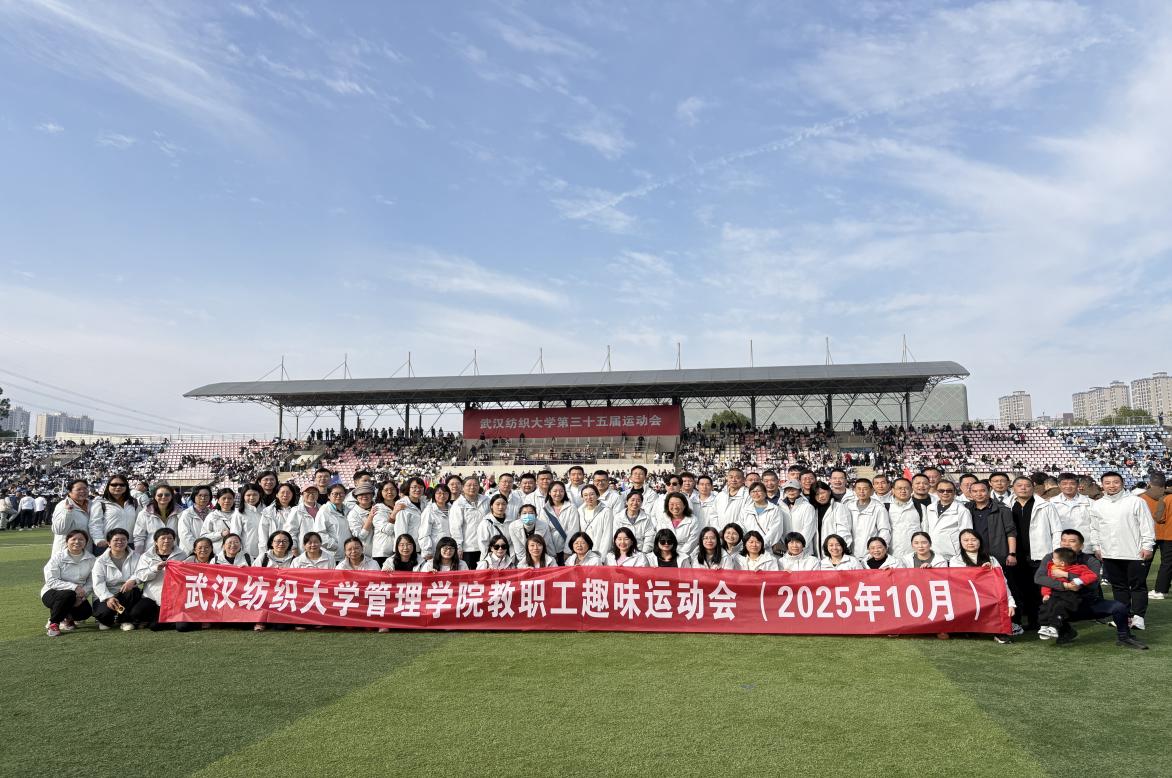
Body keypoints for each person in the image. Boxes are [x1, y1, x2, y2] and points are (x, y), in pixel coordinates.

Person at [1034, 529, 1147, 649]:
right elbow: (1039, 578)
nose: (1066, 544)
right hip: (1060, 604)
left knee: (1119, 607)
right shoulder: (1051, 557)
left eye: (1072, 541)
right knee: (1050, 606)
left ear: (1081, 546)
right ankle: (1065, 632)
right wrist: (1065, 586)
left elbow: (1093, 583)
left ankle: (1125, 637)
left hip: (1087, 603)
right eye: (1063, 540)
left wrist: (1067, 575)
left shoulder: (1090, 560)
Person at [1088, 471, 1156, 630]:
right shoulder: (1098, 505)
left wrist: (1147, 546)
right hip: (1109, 553)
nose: (1112, 486)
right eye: (1107, 483)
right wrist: (1096, 547)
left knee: (1137, 586)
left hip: (1134, 552)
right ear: (1102, 485)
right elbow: (1094, 528)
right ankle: (1123, 616)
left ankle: (1138, 617)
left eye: (1115, 482)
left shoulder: (1136, 501)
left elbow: (1146, 524)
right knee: (1118, 587)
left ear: (1122, 483)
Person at [950, 529, 1016, 643]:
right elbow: (959, 582)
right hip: (966, 596)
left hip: (989, 596)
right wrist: (982, 572)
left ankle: (999, 632)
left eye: (973, 540)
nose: (970, 543)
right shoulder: (955, 560)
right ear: (960, 542)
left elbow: (1002, 582)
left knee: (998, 600)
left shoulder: (991, 559)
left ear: (980, 541)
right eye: (966, 540)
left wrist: (1010, 602)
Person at [129, 527, 189, 630]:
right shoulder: (146, 556)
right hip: (152, 597)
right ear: (156, 542)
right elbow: (141, 575)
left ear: (174, 541)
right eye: (163, 538)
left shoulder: (182, 555)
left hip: (174, 598)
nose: (166, 541)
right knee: (136, 613)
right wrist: (155, 569)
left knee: (156, 626)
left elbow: (186, 575)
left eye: (170, 538)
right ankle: (159, 620)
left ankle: (165, 621)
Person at [41, 529, 96, 637]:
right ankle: (54, 623)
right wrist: (74, 587)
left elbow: (92, 582)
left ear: (86, 542)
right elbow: (51, 580)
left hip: (78, 595)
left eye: (81, 539)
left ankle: (67, 617)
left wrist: (82, 597)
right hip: (52, 592)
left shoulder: (91, 559)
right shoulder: (57, 557)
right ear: (67, 542)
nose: (77, 542)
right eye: (73, 539)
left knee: (85, 612)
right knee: (68, 594)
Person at [1036, 547, 1098, 640]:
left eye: (1054, 558)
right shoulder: (1052, 568)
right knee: (1045, 607)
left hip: (1070, 596)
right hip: (1055, 594)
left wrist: (1078, 580)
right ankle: (1044, 626)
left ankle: (1054, 628)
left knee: (1059, 608)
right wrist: (1046, 594)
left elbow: (1092, 576)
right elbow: (1047, 583)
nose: (1052, 559)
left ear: (1062, 563)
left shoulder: (1079, 568)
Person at [91, 528, 141, 630]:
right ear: (109, 543)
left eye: (123, 540)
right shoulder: (100, 561)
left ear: (127, 541)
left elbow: (140, 573)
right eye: (116, 540)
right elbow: (98, 583)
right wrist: (108, 598)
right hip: (106, 595)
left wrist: (132, 580)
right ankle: (108, 619)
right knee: (104, 614)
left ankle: (124, 620)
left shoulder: (136, 557)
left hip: (126, 593)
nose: (120, 542)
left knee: (133, 592)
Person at [1140, 472, 1172, 600]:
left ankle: (1137, 586)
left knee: (1143, 561)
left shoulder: (1141, 497)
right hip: (1166, 533)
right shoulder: (1167, 496)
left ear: (1150, 483)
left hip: (1148, 533)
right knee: (1167, 564)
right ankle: (1161, 589)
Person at [921, 479, 972, 560]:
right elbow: (926, 528)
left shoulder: (962, 510)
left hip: (952, 553)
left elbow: (967, 534)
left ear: (954, 492)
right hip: (931, 551)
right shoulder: (930, 508)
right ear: (937, 492)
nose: (945, 493)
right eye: (941, 491)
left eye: (949, 491)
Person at [844, 479, 891, 558]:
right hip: (850, 552)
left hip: (872, 553)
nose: (861, 491)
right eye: (859, 489)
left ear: (872, 491)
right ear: (854, 490)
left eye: (865, 489)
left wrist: (878, 550)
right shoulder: (848, 506)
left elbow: (884, 530)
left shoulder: (879, 508)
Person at [90, 475, 138, 551]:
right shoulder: (100, 503)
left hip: (129, 544)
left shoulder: (134, 503)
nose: (118, 487)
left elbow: (139, 523)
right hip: (107, 545)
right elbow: (95, 524)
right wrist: (99, 540)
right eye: (114, 485)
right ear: (108, 486)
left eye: (122, 485)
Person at [51, 479, 97, 557]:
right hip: (66, 553)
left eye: (85, 488)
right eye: (78, 489)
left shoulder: (92, 505)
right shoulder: (62, 505)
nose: (83, 491)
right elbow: (58, 530)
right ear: (70, 492)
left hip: (86, 552)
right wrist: (68, 512)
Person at [450, 478, 489, 565]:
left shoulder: (486, 500)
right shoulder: (458, 504)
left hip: (486, 545)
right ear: (463, 487)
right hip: (468, 548)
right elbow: (455, 528)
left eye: (475, 485)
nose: (472, 487)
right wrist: (458, 546)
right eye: (469, 485)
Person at [133, 484, 180, 555]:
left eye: (167, 495)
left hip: (174, 553)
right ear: (155, 497)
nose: (163, 497)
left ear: (171, 497)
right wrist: (139, 555)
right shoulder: (144, 513)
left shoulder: (180, 513)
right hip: (151, 554)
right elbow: (139, 536)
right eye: (160, 495)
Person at [739, 482, 787, 550]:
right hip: (749, 548)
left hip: (768, 549)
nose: (756, 494)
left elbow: (775, 530)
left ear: (765, 493)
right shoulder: (745, 510)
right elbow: (742, 528)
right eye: (753, 491)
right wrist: (749, 544)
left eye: (758, 491)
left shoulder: (774, 509)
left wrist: (760, 545)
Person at [541, 480, 579, 562]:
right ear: (549, 492)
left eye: (561, 491)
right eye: (555, 491)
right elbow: (545, 532)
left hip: (567, 549)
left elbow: (573, 530)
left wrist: (568, 550)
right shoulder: (545, 509)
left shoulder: (571, 508)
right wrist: (551, 553)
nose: (558, 493)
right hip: (550, 550)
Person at [655, 491, 702, 558]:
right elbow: (660, 538)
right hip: (665, 554)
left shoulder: (693, 520)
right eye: (672, 504)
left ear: (684, 505)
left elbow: (692, 542)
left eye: (678, 504)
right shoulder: (663, 518)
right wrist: (668, 555)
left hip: (687, 556)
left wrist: (679, 556)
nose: (675, 507)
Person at [1050, 472, 1093, 543]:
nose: (1068, 486)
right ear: (1059, 485)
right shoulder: (1051, 503)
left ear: (1078, 485)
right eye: (1064, 484)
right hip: (1061, 544)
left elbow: (1095, 526)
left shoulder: (1090, 503)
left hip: (1084, 543)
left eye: (1072, 483)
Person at [370, 480, 407, 563]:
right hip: (383, 552)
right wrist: (394, 513)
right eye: (386, 490)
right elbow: (387, 530)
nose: (390, 492)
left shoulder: (401, 504)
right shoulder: (377, 508)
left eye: (392, 489)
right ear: (380, 492)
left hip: (399, 550)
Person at [887, 478, 922, 559]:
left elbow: (925, 530)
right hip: (892, 553)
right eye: (899, 488)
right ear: (893, 490)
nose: (903, 491)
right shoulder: (886, 507)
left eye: (906, 488)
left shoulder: (919, 507)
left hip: (914, 553)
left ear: (911, 490)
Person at [258, 483, 297, 554]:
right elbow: (263, 534)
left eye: (288, 493)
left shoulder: (298, 511)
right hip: (274, 550)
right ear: (277, 494)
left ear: (292, 495)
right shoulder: (268, 512)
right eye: (282, 492)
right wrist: (264, 553)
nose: (285, 495)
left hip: (293, 549)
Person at [812, 483, 848, 558]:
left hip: (836, 553)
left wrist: (837, 551)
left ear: (829, 491)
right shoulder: (814, 510)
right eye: (817, 494)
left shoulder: (839, 507)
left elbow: (844, 532)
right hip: (819, 554)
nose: (820, 496)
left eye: (823, 493)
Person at [578, 485, 615, 557]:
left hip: (599, 551)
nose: (589, 497)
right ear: (582, 497)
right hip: (584, 552)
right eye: (585, 495)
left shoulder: (606, 511)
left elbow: (607, 535)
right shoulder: (580, 511)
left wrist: (602, 556)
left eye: (592, 494)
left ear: (597, 495)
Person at [231, 483, 265, 561]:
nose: (252, 498)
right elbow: (235, 534)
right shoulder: (239, 513)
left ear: (260, 495)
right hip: (247, 552)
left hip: (265, 551)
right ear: (243, 496)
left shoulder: (266, 510)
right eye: (248, 495)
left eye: (255, 495)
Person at [177, 485, 214, 555]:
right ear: (194, 496)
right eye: (200, 495)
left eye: (206, 495)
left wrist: (208, 550)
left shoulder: (213, 514)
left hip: (209, 553)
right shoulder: (186, 514)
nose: (203, 498)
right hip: (190, 553)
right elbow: (184, 535)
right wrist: (197, 550)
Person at [201, 487, 237, 557]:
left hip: (237, 552)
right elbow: (203, 536)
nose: (227, 501)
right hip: (218, 554)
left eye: (230, 498)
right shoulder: (212, 516)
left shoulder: (239, 515)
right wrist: (220, 534)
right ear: (218, 501)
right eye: (224, 498)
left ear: (233, 500)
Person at [345, 484, 377, 561]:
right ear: (356, 497)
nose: (364, 496)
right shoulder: (353, 514)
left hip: (383, 550)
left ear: (372, 495)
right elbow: (359, 536)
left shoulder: (379, 507)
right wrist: (370, 518)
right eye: (361, 494)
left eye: (367, 493)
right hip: (367, 554)